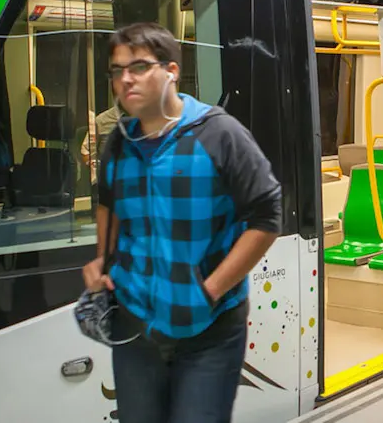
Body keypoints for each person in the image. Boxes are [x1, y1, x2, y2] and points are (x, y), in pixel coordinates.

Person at [81, 22, 282, 423]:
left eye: (138, 67)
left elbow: (267, 215)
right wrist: (102, 257)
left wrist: (210, 290)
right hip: (136, 325)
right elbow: (109, 201)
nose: (125, 79)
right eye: (117, 71)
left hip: (209, 331)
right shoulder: (119, 142)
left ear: (171, 70)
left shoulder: (219, 134)